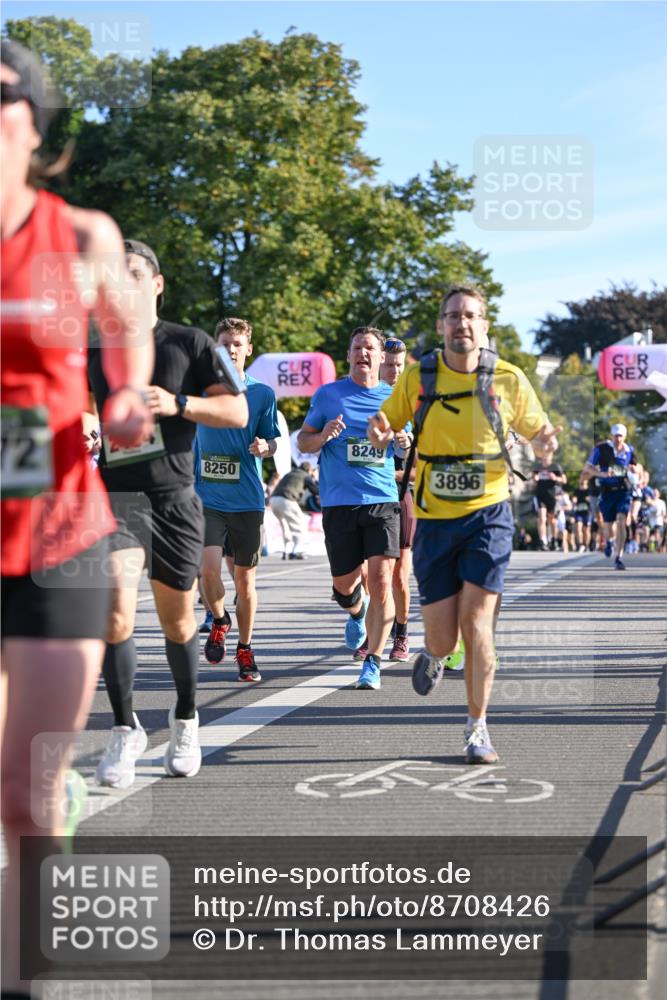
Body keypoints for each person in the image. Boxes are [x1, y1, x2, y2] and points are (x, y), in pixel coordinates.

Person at [1, 40, 154, 998]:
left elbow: (125, 322)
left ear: (34, 126)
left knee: (29, 793)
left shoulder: (79, 235)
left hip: (57, 538)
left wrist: (130, 390)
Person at [368, 284, 560, 763]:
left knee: (478, 624)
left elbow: (539, 430)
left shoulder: (509, 379)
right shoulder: (419, 377)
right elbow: (385, 420)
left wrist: (545, 444)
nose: (462, 323)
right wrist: (379, 428)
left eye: (471, 315)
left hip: (488, 515)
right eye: (453, 316)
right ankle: (432, 654)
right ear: (441, 326)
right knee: (443, 637)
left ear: (484, 325)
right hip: (434, 518)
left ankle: (478, 727)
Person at [89, 241, 248, 789]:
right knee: (113, 611)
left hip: (176, 499)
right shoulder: (96, 349)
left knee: (178, 622)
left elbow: (237, 409)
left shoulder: (191, 342)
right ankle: (124, 728)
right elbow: (81, 407)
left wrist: (178, 404)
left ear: (156, 283)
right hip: (117, 498)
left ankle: (185, 717)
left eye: (133, 275)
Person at [297, 326, 400, 690]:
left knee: (382, 581)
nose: (364, 353)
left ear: (381, 356)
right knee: (344, 584)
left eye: (370, 348)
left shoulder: (394, 396)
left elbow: (409, 445)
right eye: (357, 347)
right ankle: (356, 610)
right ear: (349, 354)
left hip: (382, 500)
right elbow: (303, 441)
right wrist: (323, 435)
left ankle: (372, 661)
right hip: (341, 502)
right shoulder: (329, 395)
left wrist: (403, 440)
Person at [196, 317, 280, 681]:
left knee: (245, 583)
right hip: (206, 496)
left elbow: (274, 440)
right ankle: (218, 619)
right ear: (217, 347)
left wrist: (266, 446)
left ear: (248, 349)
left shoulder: (262, 394)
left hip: (246, 499)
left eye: (237, 343)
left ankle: (245, 649)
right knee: (208, 569)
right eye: (225, 342)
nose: (231, 349)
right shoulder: (199, 389)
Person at [378, 337, 415, 662]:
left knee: (400, 575)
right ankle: (367, 625)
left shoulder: (415, 404)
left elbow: (423, 467)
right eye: (389, 365)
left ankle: (401, 633)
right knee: (365, 574)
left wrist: (401, 463)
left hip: (401, 494)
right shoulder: (365, 400)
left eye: (399, 366)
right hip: (365, 496)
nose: (394, 371)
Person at [582, 423, 638, 570]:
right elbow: (587, 467)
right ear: (611, 435)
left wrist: (633, 471)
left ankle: (618, 557)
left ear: (624, 436)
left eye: (620, 435)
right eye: (615, 435)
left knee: (621, 521)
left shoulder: (629, 450)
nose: (617, 438)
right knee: (608, 525)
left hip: (623, 491)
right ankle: (609, 541)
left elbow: (636, 466)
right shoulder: (601, 449)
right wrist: (601, 473)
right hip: (607, 491)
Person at [269, 462, 319, 560]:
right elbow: (315, 491)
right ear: (309, 470)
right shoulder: (305, 475)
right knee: (299, 524)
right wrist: (315, 479)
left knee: (285, 526)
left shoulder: (290, 473)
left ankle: (286, 550)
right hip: (286, 500)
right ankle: (296, 551)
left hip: (274, 500)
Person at [532, 456, 567, 551]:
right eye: (543, 457)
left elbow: (564, 480)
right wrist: (535, 479)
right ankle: (542, 541)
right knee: (542, 518)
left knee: (552, 520)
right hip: (540, 496)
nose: (545, 459)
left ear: (551, 457)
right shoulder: (537, 467)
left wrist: (555, 478)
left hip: (552, 496)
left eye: (547, 457)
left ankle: (553, 540)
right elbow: (533, 480)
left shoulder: (555, 466)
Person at [572, 475, 592, 553]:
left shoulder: (589, 490)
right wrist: (574, 500)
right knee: (578, 528)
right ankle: (581, 545)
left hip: (587, 512)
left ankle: (586, 545)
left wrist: (589, 499)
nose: (583, 481)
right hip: (579, 512)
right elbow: (574, 498)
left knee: (586, 530)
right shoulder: (576, 491)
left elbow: (592, 500)